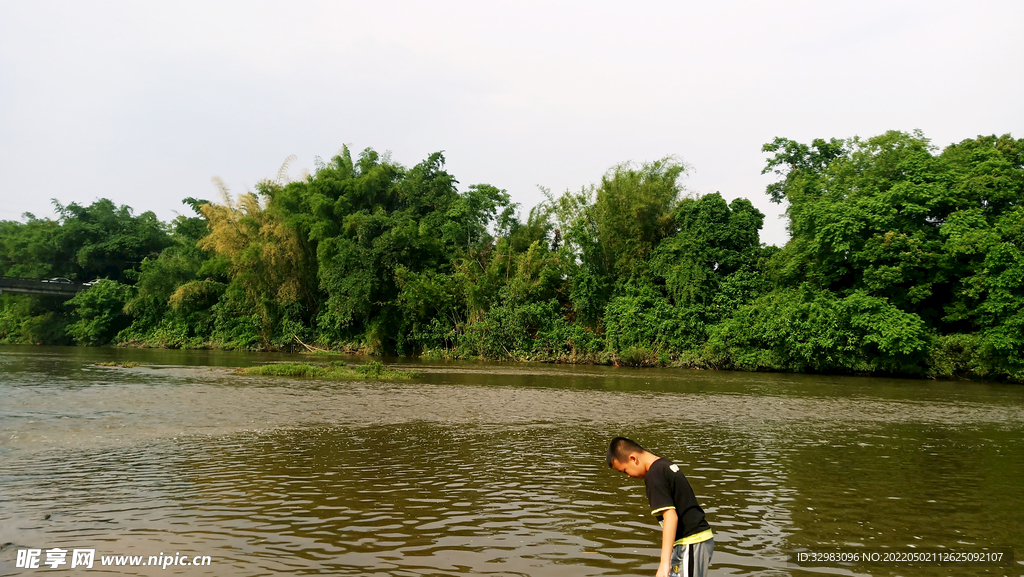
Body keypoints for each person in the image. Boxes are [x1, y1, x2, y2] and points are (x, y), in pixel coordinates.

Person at [607, 437, 713, 577]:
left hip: (691, 541)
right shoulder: (663, 465)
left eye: (625, 470)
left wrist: (664, 563)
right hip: (691, 542)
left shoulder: (654, 475)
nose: (628, 476)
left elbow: (670, 517)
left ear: (633, 458)